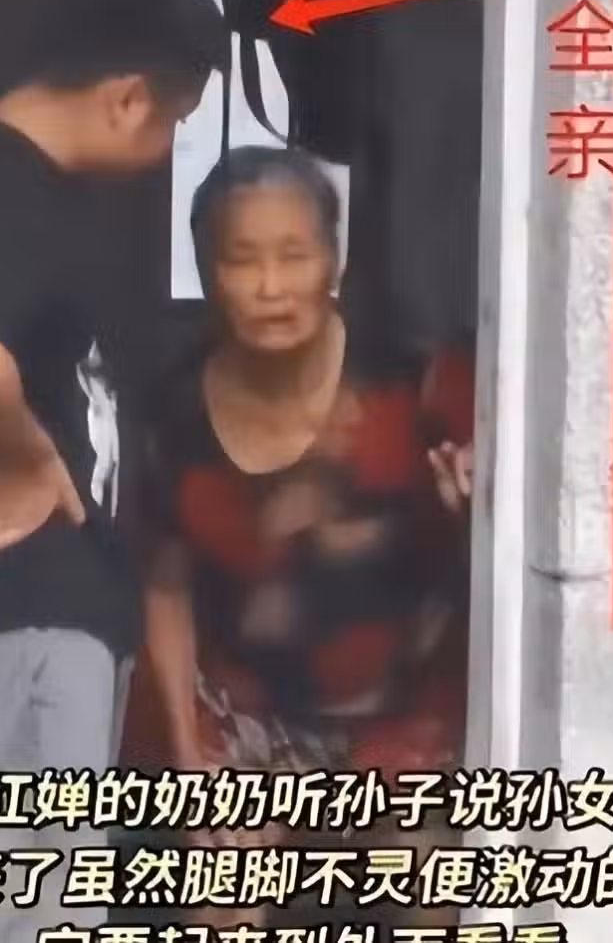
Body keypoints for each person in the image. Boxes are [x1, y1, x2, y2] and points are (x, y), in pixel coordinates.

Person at [0, 0, 227, 943]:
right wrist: (31, 456)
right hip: (13, 622)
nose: (165, 146)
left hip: (19, 628)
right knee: (17, 919)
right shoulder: (3, 187)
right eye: (173, 122)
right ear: (127, 98)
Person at [140, 145, 475, 929]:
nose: (270, 286)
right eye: (242, 259)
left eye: (293, 256)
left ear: (334, 258)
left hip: (407, 721)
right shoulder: (172, 412)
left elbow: (500, 542)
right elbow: (164, 584)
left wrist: (477, 510)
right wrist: (189, 760)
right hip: (250, 722)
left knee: (437, 886)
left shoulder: (415, 386)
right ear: (207, 271)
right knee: (218, 895)